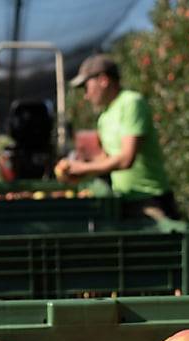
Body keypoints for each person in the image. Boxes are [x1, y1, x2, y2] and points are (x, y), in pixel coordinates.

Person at [58, 54, 174, 220]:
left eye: (86, 87)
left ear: (103, 80)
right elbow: (108, 158)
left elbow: (126, 159)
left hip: (150, 202)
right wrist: (80, 172)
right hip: (121, 200)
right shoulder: (104, 117)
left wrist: (84, 168)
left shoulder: (131, 103)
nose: (86, 95)